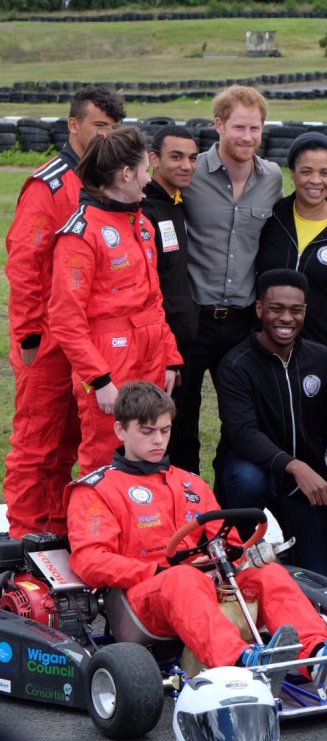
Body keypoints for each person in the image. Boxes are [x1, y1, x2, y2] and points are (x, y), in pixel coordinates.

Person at [65, 381, 327, 698]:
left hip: (205, 585)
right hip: (142, 597)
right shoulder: (96, 490)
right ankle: (241, 662)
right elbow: (90, 561)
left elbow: (224, 545)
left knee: (267, 572)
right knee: (183, 579)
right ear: (121, 430)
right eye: (147, 432)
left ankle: (319, 655)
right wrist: (159, 572)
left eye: (165, 430)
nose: (159, 440)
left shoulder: (190, 484)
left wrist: (235, 562)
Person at [4, 85, 125, 538]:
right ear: (73, 125)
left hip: (92, 342)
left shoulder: (109, 182)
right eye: (99, 126)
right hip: (50, 342)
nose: (106, 135)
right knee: (39, 446)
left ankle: (61, 531)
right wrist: (31, 338)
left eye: (113, 128)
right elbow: (24, 266)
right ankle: (25, 541)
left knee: (81, 442)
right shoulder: (51, 184)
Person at [48, 126, 181, 476]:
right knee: (107, 453)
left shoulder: (141, 223)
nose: (149, 179)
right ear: (126, 175)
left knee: (151, 448)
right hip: (109, 360)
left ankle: (144, 530)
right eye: (144, 170)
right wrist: (100, 380)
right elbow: (66, 320)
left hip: (150, 352)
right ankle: (100, 531)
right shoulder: (81, 235)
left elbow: (154, 300)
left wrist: (169, 356)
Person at [173, 85, 284, 473]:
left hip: (241, 320)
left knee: (240, 419)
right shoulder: (190, 173)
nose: (248, 137)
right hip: (192, 319)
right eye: (239, 127)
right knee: (180, 417)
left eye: (255, 129)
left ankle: (228, 501)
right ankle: (184, 501)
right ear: (218, 125)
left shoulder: (272, 178)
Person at [215, 269, 327, 580]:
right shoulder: (236, 364)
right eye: (277, 309)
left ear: (305, 312)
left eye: (295, 310)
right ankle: (240, 550)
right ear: (260, 309)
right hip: (256, 474)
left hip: (302, 488)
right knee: (246, 478)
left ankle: (295, 545)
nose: (286, 318)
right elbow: (243, 434)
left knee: (322, 577)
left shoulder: (322, 359)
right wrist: (296, 466)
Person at [255, 132, 327, 373]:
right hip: (268, 351)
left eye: (324, 173)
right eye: (306, 171)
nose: (316, 180)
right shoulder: (271, 219)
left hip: (326, 352)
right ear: (292, 174)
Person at [141, 125, 200, 381]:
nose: (187, 165)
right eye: (176, 157)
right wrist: (165, 351)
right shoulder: (144, 209)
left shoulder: (177, 200)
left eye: (193, 158)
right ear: (154, 159)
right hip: (158, 346)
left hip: (185, 339)